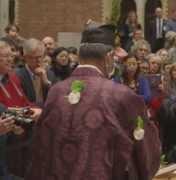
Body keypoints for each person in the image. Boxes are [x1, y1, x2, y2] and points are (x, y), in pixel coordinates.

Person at [26, 26, 161, 180]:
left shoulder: (56, 91)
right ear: (109, 57)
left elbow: (41, 146)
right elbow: (144, 151)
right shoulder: (123, 96)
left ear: (79, 55)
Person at [0, 40, 41, 179]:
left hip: (20, 134)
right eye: (5, 56)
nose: (10, 60)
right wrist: (28, 114)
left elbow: (24, 102)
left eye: (11, 56)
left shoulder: (12, 77)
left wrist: (35, 110)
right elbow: (4, 110)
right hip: (7, 136)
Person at [15, 38, 52, 106]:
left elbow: (56, 97)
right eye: (34, 57)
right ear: (25, 57)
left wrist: (46, 82)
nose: (38, 60)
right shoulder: (17, 76)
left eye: (40, 57)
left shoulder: (50, 73)